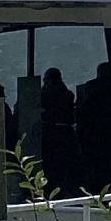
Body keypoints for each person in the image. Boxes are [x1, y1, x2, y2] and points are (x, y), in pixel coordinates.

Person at [76, 61, 111, 191]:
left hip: (92, 138)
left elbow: (83, 111)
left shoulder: (91, 88)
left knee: (94, 172)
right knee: (110, 170)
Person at [39, 66, 78, 195]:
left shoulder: (45, 94)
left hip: (49, 135)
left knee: (51, 168)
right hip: (66, 134)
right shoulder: (67, 94)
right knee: (65, 168)